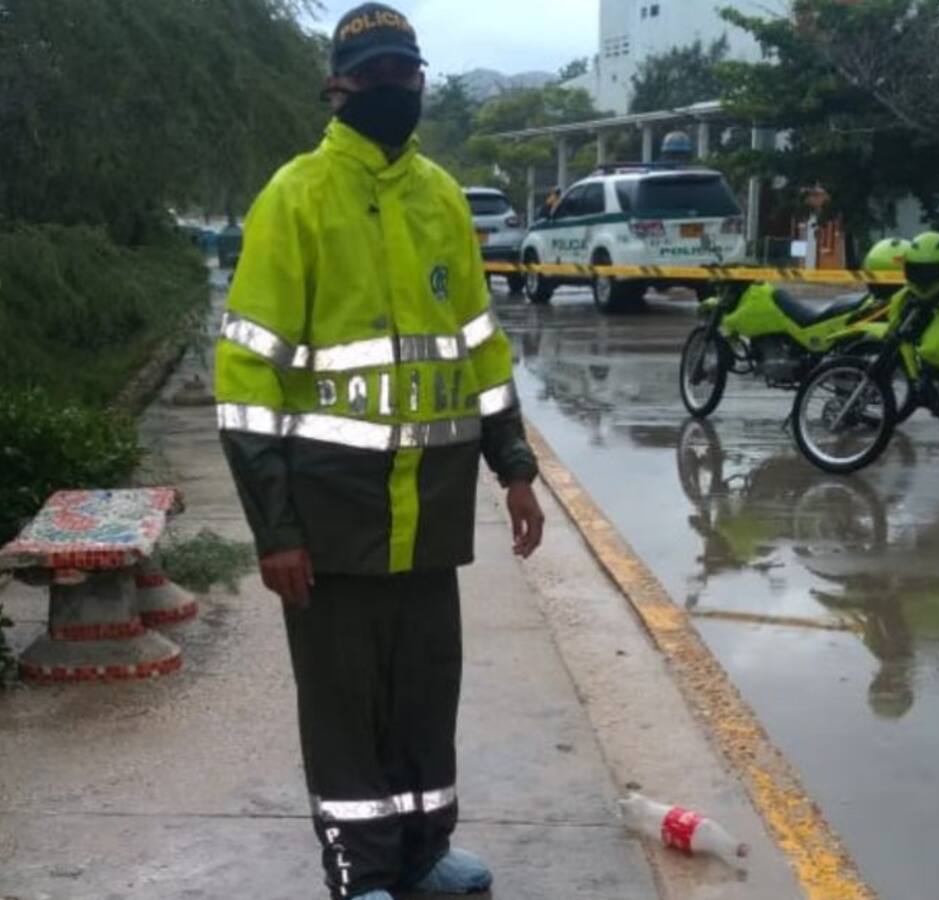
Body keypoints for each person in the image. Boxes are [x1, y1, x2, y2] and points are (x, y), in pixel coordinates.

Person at [213, 4, 544, 898]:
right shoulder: (296, 199)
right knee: (345, 707)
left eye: (408, 73)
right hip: (330, 518)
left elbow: (480, 349)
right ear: (339, 88)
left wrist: (514, 469)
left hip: (430, 516)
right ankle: (360, 870)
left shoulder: (441, 198)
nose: (396, 89)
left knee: (425, 697)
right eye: (378, 75)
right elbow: (247, 382)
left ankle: (425, 855)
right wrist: (274, 529)